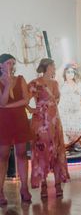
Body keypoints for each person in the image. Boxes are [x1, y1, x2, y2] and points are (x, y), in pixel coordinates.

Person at [28, 58, 69, 198]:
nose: (55, 69)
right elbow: (25, 98)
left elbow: (57, 99)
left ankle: (58, 183)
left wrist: (51, 106)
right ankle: (43, 184)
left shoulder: (55, 83)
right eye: (53, 66)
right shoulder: (35, 83)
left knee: (56, 151)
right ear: (47, 67)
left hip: (54, 120)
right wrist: (31, 109)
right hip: (41, 122)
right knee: (42, 152)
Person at [0, 53, 32, 205]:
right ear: (0, 65)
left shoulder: (20, 79)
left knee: (22, 154)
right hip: (3, 122)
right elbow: (2, 101)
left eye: (12, 63)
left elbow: (26, 99)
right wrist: (6, 85)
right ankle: (0, 191)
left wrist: (7, 106)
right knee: (3, 156)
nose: (11, 65)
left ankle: (24, 188)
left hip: (20, 120)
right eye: (7, 63)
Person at [59, 64, 81, 151]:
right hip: (64, 113)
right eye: (68, 72)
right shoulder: (61, 85)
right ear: (64, 73)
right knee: (65, 131)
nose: (70, 74)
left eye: (72, 72)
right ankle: (66, 149)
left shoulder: (80, 84)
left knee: (80, 130)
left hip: (76, 113)